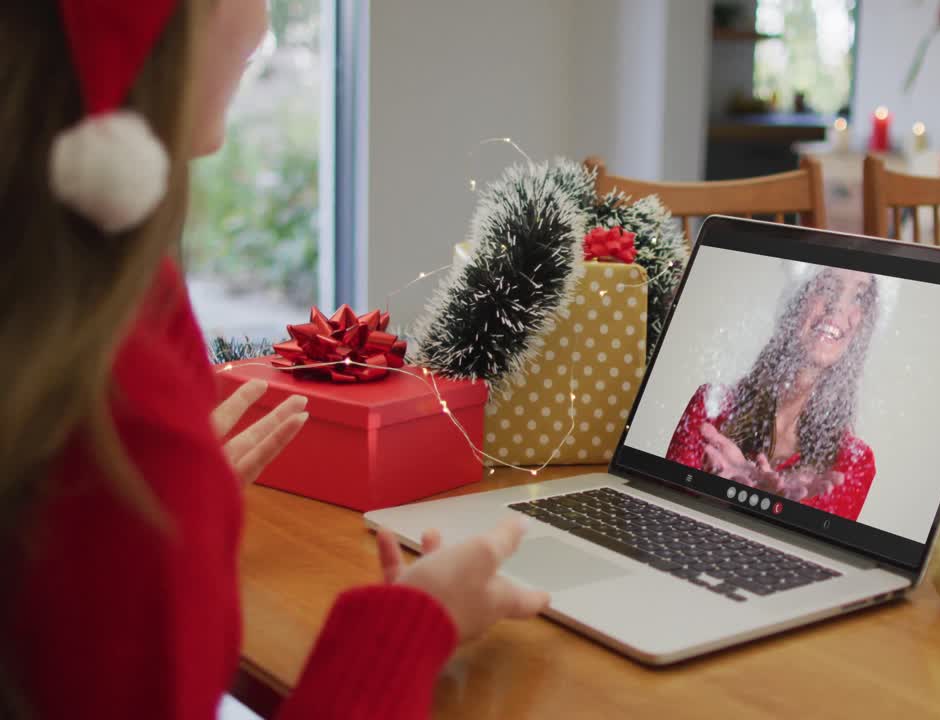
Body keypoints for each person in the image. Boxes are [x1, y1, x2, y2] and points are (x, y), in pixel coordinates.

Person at [0, 2, 547, 718]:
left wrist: (183, 520)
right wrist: (413, 622)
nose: (262, 29)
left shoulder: (83, 331)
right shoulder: (121, 420)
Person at [666, 266, 879, 522]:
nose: (838, 308)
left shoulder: (854, 462)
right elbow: (666, 514)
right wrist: (719, 498)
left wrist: (769, 511)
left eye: (858, 297)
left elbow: (812, 557)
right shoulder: (710, 407)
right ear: (795, 302)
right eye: (827, 288)